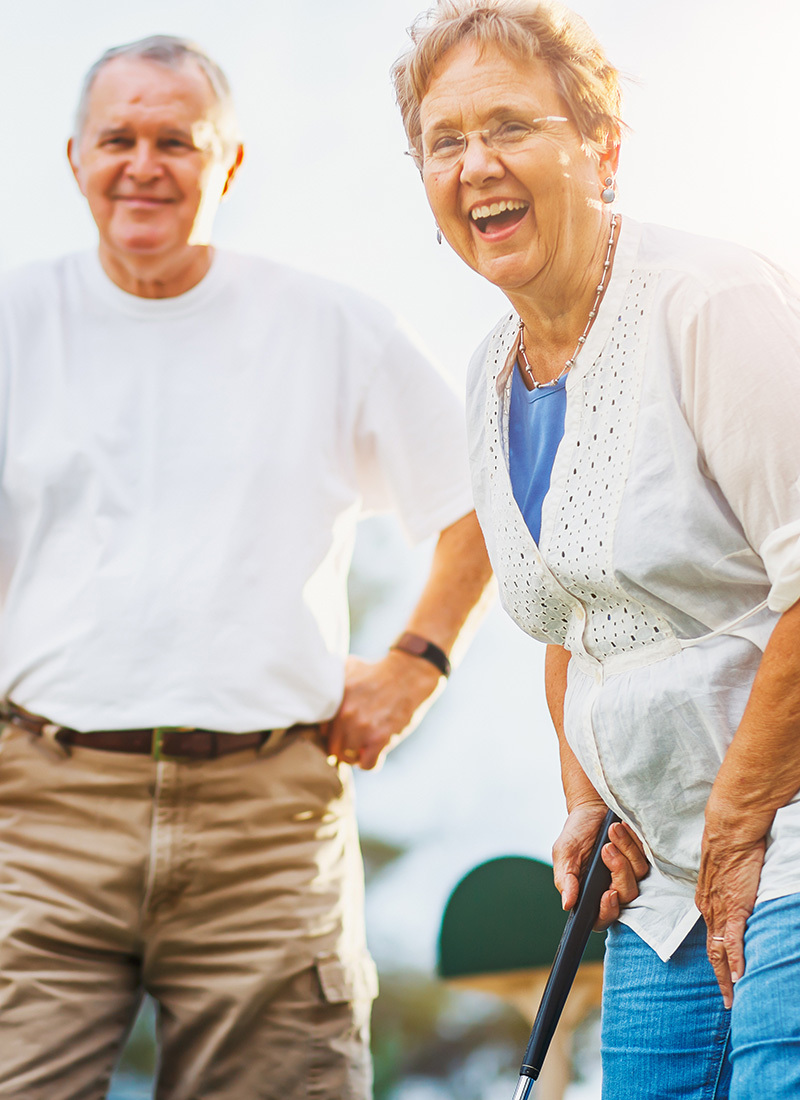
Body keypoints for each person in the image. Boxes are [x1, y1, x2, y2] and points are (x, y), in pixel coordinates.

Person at [0, 34, 500, 1100]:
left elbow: (481, 496)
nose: (144, 164)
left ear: (227, 163)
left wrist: (415, 661)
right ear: (74, 157)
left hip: (266, 821)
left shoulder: (327, 325)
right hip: (41, 811)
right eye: (118, 139)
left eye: (175, 140)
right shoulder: (14, 322)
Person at [392, 2, 800, 1097]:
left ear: (599, 145)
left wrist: (735, 825)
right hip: (658, 889)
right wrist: (584, 799)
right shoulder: (486, 375)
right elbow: (570, 625)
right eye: (442, 140)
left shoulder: (707, 301)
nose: (475, 164)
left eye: (510, 126)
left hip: (783, 847)